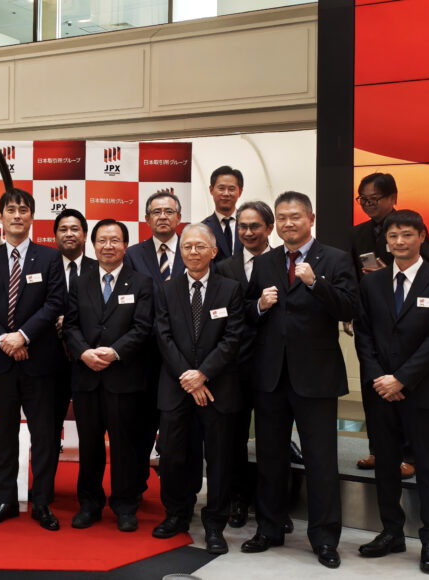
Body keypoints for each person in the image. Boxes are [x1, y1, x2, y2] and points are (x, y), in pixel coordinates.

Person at [240, 191, 357, 569]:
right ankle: (269, 528)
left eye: (295, 217)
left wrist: (316, 283)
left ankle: (324, 539)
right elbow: (246, 313)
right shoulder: (266, 261)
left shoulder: (335, 259)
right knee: (270, 458)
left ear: (311, 219)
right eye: (282, 218)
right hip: (271, 376)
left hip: (316, 377)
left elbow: (349, 308)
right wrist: (260, 306)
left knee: (321, 461)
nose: (288, 223)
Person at [354, 210, 429, 574]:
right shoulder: (372, 283)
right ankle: (391, 532)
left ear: (422, 237)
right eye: (393, 235)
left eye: (407, 234)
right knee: (385, 464)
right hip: (379, 392)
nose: (399, 241)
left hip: (422, 392)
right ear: (386, 241)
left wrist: (401, 379)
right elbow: (363, 334)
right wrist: (380, 378)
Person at [0, 188, 66, 531]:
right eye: (10, 210)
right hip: (1, 361)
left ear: (32, 217)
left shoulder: (49, 257)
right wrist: (5, 340)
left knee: (43, 435)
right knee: (5, 433)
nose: (17, 215)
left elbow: (55, 303)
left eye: (23, 210)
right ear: (0, 217)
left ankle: (41, 503)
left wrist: (23, 336)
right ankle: (6, 501)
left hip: (40, 360)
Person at [154, 224, 244, 554]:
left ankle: (215, 525)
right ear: (181, 252)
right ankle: (176, 514)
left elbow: (232, 337)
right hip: (176, 387)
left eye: (200, 246)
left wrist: (203, 374)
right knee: (173, 456)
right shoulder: (167, 289)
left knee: (218, 459)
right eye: (187, 246)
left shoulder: (230, 289)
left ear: (214, 251)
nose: (193, 252)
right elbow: (163, 336)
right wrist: (188, 377)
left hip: (217, 388)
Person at [63, 219, 154, 532]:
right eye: (102, 240)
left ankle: (125, 506)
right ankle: (89, 504)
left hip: (124, 378)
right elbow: (70, 325)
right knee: (89, 445)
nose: (108, 246)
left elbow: (143, 327)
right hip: (86, 377)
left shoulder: (141, 282)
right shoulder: (80, 282)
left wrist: (114, 352)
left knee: (124, 446)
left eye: (115, 240)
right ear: (93, 244)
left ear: (125, 246)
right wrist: (84, 353)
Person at [123, 190, 203, 527]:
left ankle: (188, 496)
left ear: (179, 217)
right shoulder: (133, 254)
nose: (163, 216)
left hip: (185, 363)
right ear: (147, 219)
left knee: (185, 437)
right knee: (139, 431)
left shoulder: (194, 248)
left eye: (169, 211)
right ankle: (135, 490)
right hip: (143, 360)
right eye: (156, 211)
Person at [351, 172, 429, 478]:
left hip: (405, 322)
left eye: (375, 199)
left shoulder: (409, 227)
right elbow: (352, 276)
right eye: (363, 200)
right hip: (371, 321)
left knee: (403, 388)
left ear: (392, 198)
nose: (368, 204)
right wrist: (352, 313)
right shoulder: (357, 233)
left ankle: (408, 454)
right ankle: (378, 450)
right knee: (372, 387)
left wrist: (392, 272)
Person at [214, 200, 273, 528]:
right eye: (243, 227)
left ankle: (271, 506)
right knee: (232, 440)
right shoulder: (224, 267)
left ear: (269, 228)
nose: (248, 232)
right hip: (234, 366)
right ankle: (237, 500)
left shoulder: (285, 262)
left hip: (273, 366)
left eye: (255, 226)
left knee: (271, 440)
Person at [51, 209, 97, 453]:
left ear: (85, 235)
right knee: (48, 431)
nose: (69, 234)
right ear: (55, 236)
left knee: (90, 431)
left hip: (87, 360)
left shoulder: (99, 269)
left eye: (75, 229)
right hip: (50, 360)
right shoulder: (45, 267)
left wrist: (70, 323)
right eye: (63, 229)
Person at [202, 166, 244, 264]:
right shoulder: (203, 228)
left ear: (240, 192)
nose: (226, 193)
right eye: (221, 188)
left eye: (231, 189)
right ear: (211, 190)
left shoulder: (250, 225)